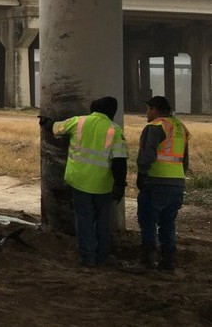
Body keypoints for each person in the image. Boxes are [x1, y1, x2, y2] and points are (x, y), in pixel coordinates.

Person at [42, 96, 128, 267]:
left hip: (80, 181)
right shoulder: (115, 130)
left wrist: (46, 122)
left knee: (84, 221)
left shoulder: (79, 122)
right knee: (103, 223)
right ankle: (102, 256)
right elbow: (120, 161)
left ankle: (87, 257)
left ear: (93, 109)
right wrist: (120, 184)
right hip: (103, 185)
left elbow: (56, 129)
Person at [136, 95, 190, 272]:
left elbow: (148, 152)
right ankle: (168, 262)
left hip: (156, 181)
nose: (147, 113)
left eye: (148, 109)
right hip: (177, 183)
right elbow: (184, 159)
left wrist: (142, 173)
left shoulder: (155, 126)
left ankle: (147, 261)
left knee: (147, 220)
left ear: (154, 109)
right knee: (168, 223)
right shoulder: (180, 127)